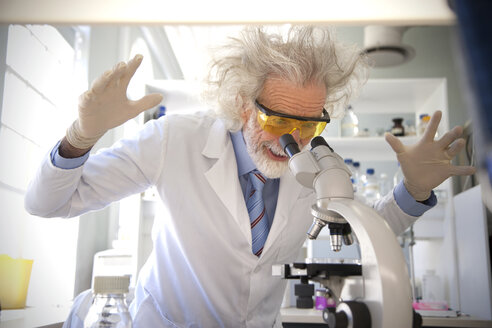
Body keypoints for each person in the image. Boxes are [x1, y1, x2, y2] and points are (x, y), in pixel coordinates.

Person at [25, 26, 475, 327]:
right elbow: (48, 204)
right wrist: (80, 136)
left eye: (310, 124)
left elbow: (365, 233)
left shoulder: (318, 163)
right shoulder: (173, 140)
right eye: (279, 120)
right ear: (243, 104)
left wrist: (413, 189)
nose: (294, 141)